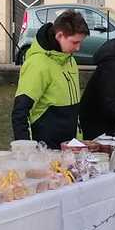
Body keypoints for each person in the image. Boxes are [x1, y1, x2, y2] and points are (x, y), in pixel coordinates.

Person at [11, 10, 85, 148]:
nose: (78, 48)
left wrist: (79, 141)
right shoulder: (37, 64)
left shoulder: (71, 61)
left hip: (69, 150)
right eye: (74, 42)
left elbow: (74, 111)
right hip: (43, 152)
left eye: (80, 42)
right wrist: (28, 152)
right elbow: (20, 113)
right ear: (59, 35)